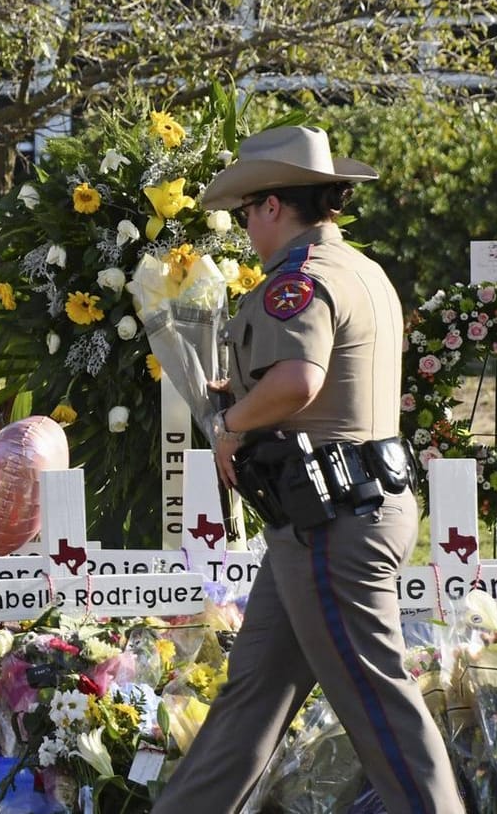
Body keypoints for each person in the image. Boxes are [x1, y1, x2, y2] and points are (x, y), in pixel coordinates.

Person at [157, 126, 464, 814]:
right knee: (254, 695)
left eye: (246, 213)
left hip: (332, 521)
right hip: (337, 510)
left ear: (273, 206)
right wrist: (246, 401)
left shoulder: (296, 282)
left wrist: (231, 424)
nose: (244, 228)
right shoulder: (362, 271)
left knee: (378, 703)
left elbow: (297, 379)